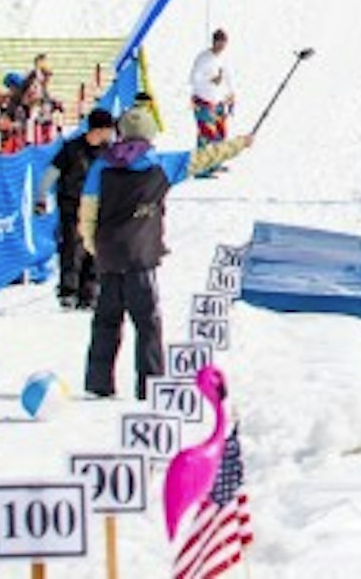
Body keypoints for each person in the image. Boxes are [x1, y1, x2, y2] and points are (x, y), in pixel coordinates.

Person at [81, 102, 256, 399]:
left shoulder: (101, 165)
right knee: (147, 322)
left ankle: (99, 382)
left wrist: (91, 244)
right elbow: (206, 157)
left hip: (109, 254)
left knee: (106, 320)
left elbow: (88, 211)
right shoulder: (161, 164)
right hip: (141, 256)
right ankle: (149, 383)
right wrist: (239, 144)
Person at [47, 108, 114, 310]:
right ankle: (68, 290)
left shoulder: (108, 152)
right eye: (108, 129)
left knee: (94, 248)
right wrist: (41, 196)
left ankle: (89, 291)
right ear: (99, 129)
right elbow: (53, 171)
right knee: (71, 247)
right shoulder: (72, 149)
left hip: (97, 207)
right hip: (71, 204)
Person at [189, 29, 235, 147]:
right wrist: (210, 80)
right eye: (219, 43)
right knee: (207, 134)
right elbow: (193, 79)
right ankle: (201, 163)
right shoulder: (203, 58)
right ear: (213, 42)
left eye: (223, 43)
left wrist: (232, 94)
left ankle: (216, 163)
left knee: (221, 134)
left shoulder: (224, 58)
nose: (221, 46)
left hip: (219, 103)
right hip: (203, 102)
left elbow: (229, 77)